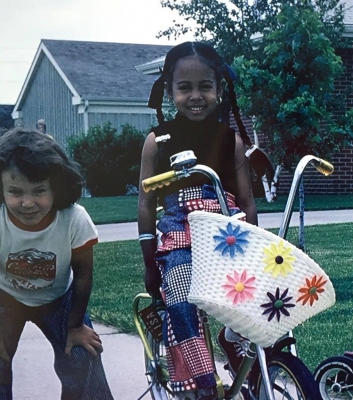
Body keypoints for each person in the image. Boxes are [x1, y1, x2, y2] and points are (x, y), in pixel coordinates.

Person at [138, 41, 258, 398]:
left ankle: (235, 340)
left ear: (220, 90)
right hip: (178, 239)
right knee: (180, 298)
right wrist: (149, 260)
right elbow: (146, 205)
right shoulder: (157, 141)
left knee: (260, 295)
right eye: (184, 87)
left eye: (205, 86)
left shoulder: (230, 141)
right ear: (169, 90)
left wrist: (253, 243)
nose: (196, 96)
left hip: (227, 234)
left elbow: (248, 203)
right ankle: (199, 383)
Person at [0, 128, 113, 399]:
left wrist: (76, 327)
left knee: (83, 354)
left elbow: (83, 278)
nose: (27, 202)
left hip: (59, 299)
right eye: (15, 191)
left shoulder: (74, 219)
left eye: (39, 191)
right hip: (4, 299)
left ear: (56, 187)